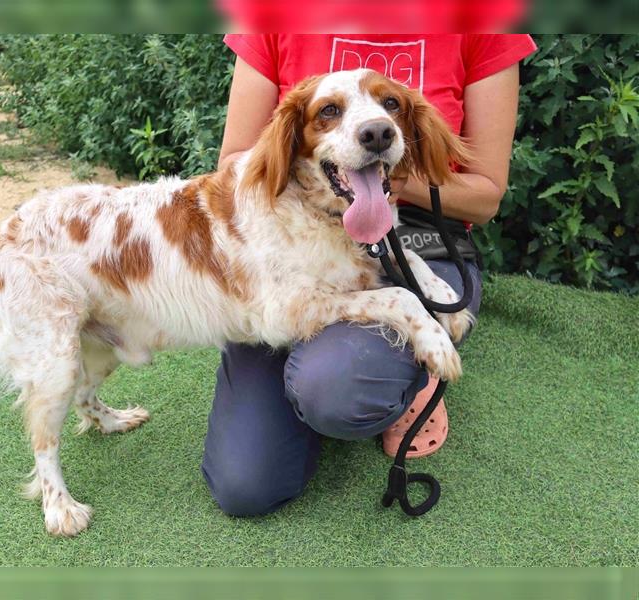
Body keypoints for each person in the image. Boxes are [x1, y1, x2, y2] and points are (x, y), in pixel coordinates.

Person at [201, 34, 537, 517]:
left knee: (338, 389)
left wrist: (392, 180)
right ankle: (347, 367)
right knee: (245, 486)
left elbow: (484, 196)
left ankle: (402, 375)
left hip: (419, 239)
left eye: (389, 108)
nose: (374, 128)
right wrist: (310, 177)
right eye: (331, 113)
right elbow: (233, 162)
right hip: (293, 230)